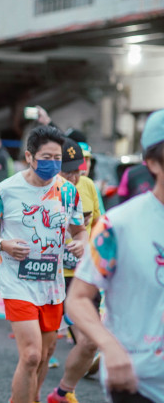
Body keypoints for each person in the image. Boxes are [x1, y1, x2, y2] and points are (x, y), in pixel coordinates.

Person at [0, 126, 87, 403]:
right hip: (17, 282)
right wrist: (2, 243)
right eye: (46, 157)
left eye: (57, 158)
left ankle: (29, 397)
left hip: (51, 285)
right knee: (31, 355)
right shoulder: (7, 190)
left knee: (46, 354)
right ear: (29, 156)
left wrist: (81, 242)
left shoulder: (68, 191)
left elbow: (79, 230)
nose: (53, 164)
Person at [67, 109, 164, 403]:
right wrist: (109, 347)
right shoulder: (118, 225)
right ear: (153, 163)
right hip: (139, 380)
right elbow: (78, 298)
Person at [46, 138, 102, 403]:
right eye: (67, 172)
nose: (74, 177)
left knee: (90, 341)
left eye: (78, 170)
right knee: (43, 348)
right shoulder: (45, 189)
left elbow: (98, 224)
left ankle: (64, 391)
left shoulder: (88, 185)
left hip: (84, 275)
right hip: (52, 276)